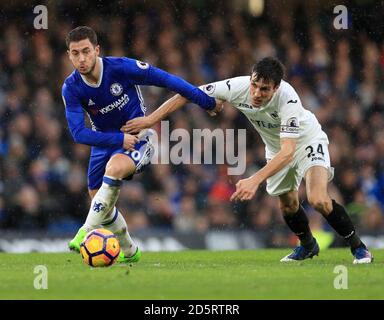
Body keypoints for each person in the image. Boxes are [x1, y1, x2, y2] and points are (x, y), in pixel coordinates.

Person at [122, 57, 373, 264]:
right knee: (287, 205)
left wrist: (254, 179)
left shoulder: (288, 99)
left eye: (264, 89)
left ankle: (358, 247)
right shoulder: (238, 86)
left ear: (276, 88)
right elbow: (188, 93)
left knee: (318, 198)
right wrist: (150, 119)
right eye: (254, 85)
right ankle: (308, 246)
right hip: (276, 148)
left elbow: (289, 152)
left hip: (306, 141)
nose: (256, 93)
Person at [62, 26, 219, 263]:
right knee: (99, 200)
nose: (81, 59)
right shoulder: (71, 87)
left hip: (139, 138)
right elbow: (77, 133)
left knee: (114, 169)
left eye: (86, 51)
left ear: (97, 50)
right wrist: (118, 139)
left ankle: (84, 231)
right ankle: (130, 251)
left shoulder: (121, 68)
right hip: (105, 141)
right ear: (69, 55)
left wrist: (206, 101)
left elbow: (168, 80)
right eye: (75, 53)